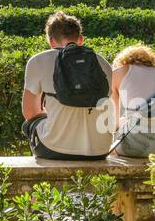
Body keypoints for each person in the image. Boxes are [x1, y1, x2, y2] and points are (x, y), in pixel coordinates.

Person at [21, 12, 114, 160]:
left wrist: (49, 112)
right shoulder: (102, 63)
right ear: (80, 39)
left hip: (54, 148)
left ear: (51, 41)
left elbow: (29, 113)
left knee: (28, 124)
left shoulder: (38, 61)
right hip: (99, 149)